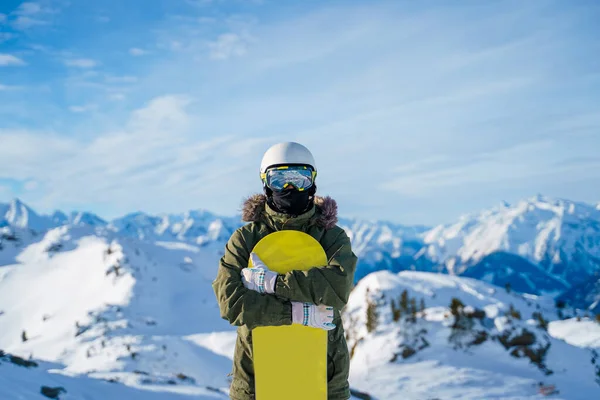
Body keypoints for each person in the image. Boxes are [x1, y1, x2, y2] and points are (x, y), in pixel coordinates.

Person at [212, 142, 358, 400]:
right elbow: (231, 302)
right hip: (256, 379)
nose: (290, 189)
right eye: (280, 179)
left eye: (299, 179)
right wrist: (295, 313)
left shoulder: (332, 237)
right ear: (266, 184)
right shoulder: (245, 239)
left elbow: (337, 288)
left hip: (325, 377)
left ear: (312, 183)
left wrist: (271, 283)